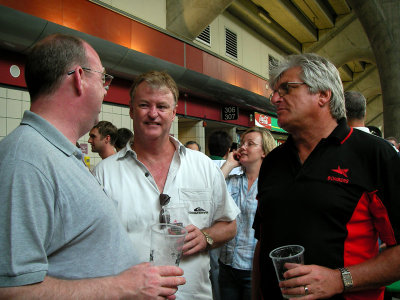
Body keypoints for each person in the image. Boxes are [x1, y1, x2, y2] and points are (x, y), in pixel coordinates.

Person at [0, 34, 185, 299]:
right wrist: (125, 287)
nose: (106, 89)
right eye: (103, 78)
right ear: (78, 78)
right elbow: (10, 290)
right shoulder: (25, 161)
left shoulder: (58, 153)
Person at [253, 53, 400, 300]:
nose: (276, 98)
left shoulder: (373, 155)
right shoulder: (273, 162)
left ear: (323, 94)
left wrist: (340, 279)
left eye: (286, 89)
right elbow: (262, 243)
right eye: (274, 92)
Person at [93, 70, 240, 300]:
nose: (153, 114)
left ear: (173, 113)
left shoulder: (204, 166)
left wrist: (206, 237)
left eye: (161, 107)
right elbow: (93, 246)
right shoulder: (104, 174)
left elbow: (230, 225)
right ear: (131, 110)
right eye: (144, 105)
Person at [219, 127, 276, 300]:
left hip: (254, 268)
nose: (243, 147)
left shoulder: (271, 184)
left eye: (250, 144)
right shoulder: (232, 180)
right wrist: (228, 165)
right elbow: (208, 196)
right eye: (242, 143)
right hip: (226, 265)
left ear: (264, 152)